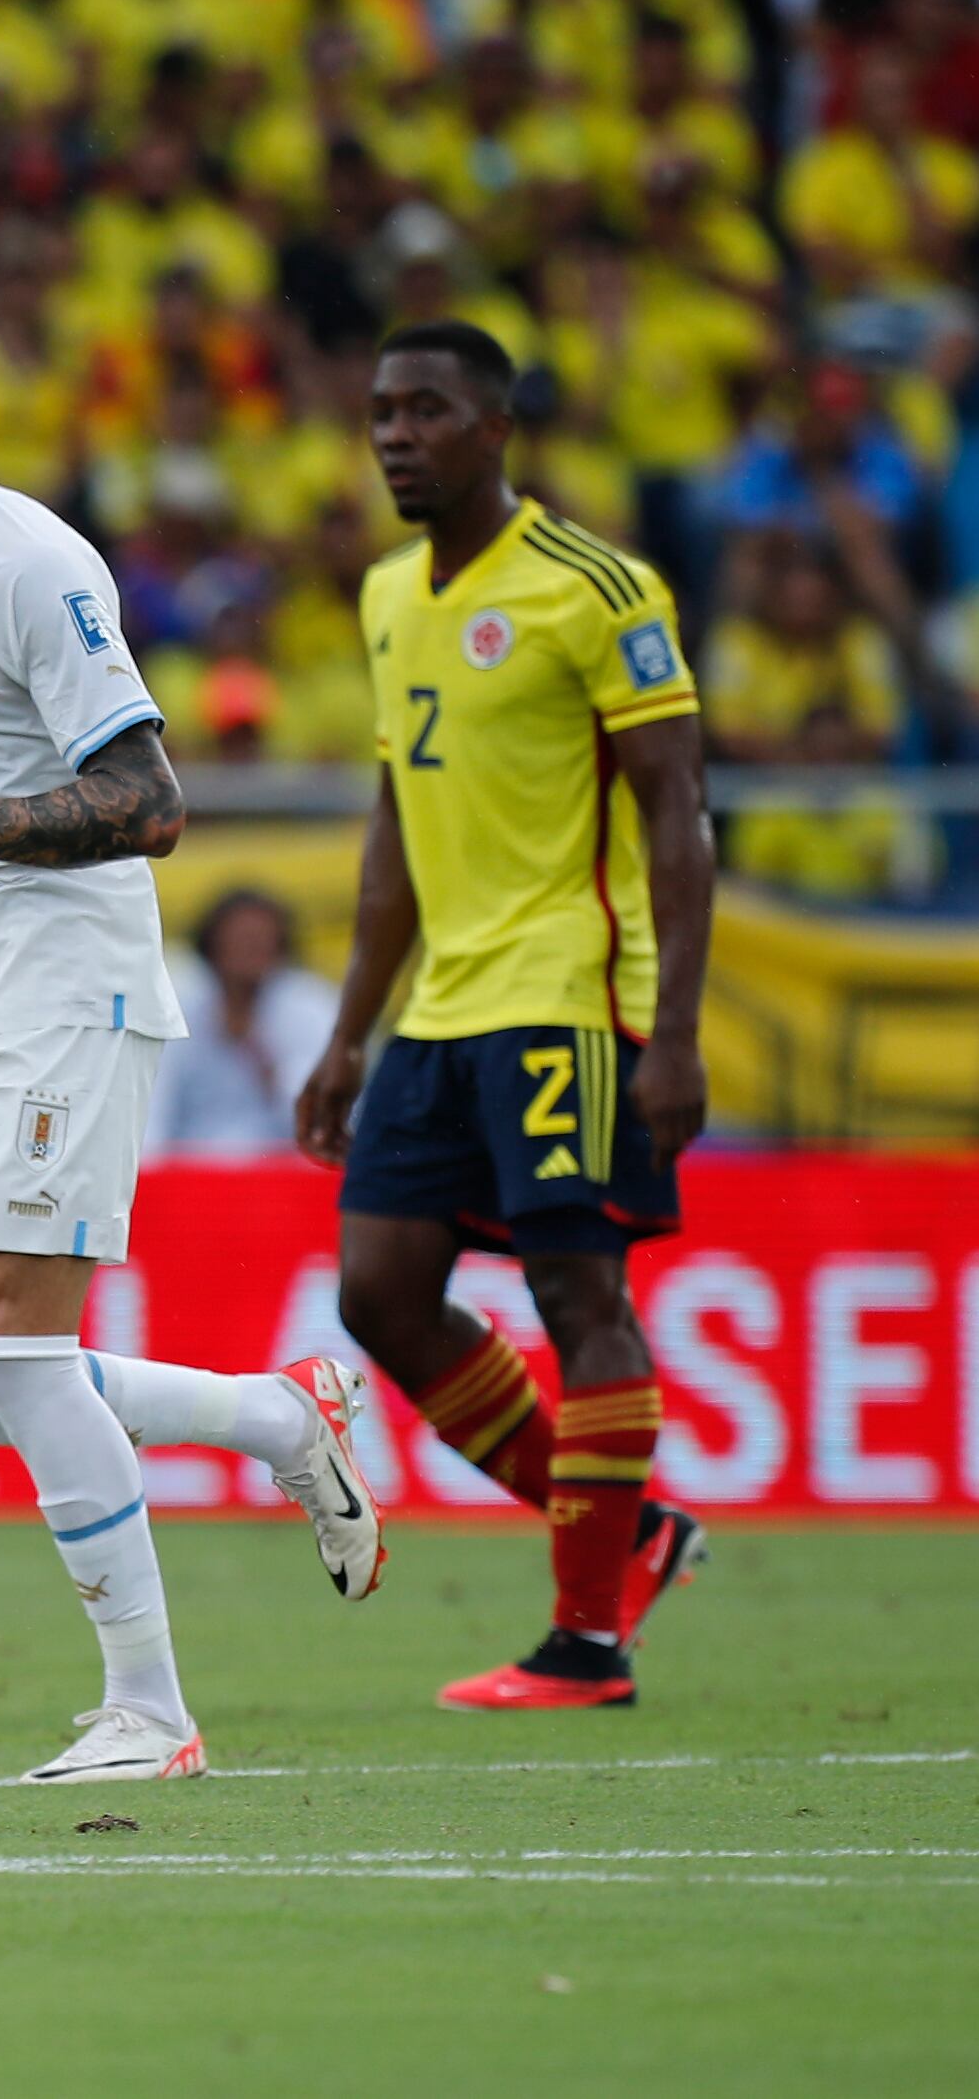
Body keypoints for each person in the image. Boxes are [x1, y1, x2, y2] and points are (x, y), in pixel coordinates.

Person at [0, 274, 382, 1788]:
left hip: (66, 985)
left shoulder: (30, 563)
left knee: (23, 1354)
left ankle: (148, 1713)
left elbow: (145, 805)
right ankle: (267, 1411)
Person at [293, 321, 718, 1714]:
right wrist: (348, 1031)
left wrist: (671, 1029)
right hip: (438, 1008)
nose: (392, 433)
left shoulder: (593, 587)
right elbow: (391, 832)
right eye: (378, 410)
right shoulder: (382, 596)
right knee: (377, 1290)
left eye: (423, 409)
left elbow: (674, 814)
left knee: (576, 1295)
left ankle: (585, 1639)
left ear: (494, 428)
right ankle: (628, 1532)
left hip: (569, 998)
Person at [144, 889, 339, 1158]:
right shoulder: (178, 1005)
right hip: (192, 1166)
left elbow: (322, 1120)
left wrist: (257, 1050)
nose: (250, 950)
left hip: (284, 1167)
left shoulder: (312, 1007)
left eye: (261, 941)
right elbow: (154, 1106)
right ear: (212, 945)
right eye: (239, 940)